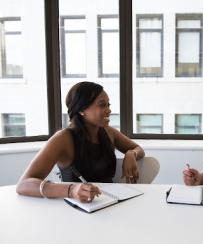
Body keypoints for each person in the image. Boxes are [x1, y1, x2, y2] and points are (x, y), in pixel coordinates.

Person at [16, 81, 145, 202]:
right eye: (102, 105)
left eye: (108, 104)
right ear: (82, 110)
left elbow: (138, 149)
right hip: (75, 208)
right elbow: (23, 184)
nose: (109, 110)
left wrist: (130, 154)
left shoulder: (108, 131)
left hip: (108, 203)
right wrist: (71, 190)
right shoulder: (62, 138)